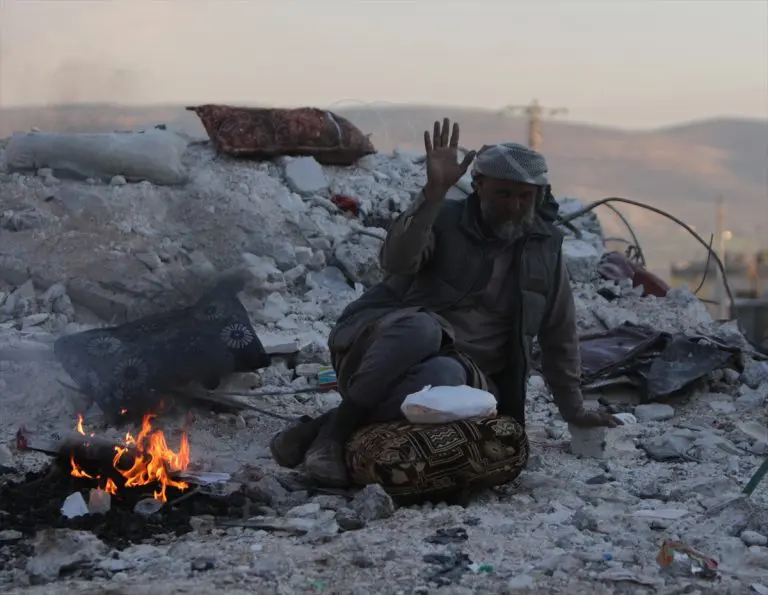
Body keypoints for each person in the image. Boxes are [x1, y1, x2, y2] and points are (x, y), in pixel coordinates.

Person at [270, 118, 621, 486]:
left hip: (464, 377)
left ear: (539, 195)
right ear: (479, 186)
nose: (514, 206)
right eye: (503, 194)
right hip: (382, 351)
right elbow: (396, 262)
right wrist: (433, 194)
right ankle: (333, 438)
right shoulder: (444, 221)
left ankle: (319, 430)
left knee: (445, 379)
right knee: (423, 328)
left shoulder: (545, 251)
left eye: (525, 196)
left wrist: (575, 410)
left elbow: (559, 336)